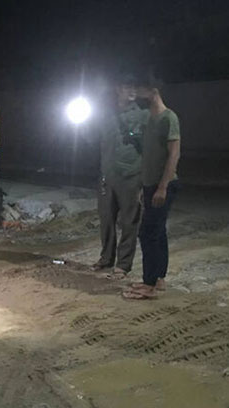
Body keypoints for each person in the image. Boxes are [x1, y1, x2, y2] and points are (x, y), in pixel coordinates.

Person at [123, 78, 181, 300]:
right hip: (150, 185)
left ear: (153, 90)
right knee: (158, 232)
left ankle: (149, 285)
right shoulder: (149, 119)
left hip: (163, 185)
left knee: (147, 233)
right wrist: (143, 185)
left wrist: (162, 187)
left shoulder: (169, 118)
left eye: (140, 89)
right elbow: (148, 156)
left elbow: (174, 154)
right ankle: (158, 279)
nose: (137, 94)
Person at [92, 75, 149, 280]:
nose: (132, 91)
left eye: (134, 87)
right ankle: (106, 258)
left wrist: (144, 180)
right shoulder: (106, 115)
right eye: (127, 87)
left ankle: (123, 265)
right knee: (106, 219)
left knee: (129, 222)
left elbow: (149, 149)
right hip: (107, 175)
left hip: (131, 175)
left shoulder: (143, 116)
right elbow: (96, 140)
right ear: (118, 89)